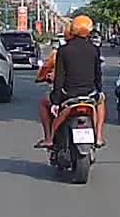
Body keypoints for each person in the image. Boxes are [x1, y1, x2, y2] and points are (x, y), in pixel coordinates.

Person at [36, 16, 106, 149]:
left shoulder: (63, 50)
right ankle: (99, 137)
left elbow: (59, 78)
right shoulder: (94, 49)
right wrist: (99, 90)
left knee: (43, 103)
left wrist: (56, 101)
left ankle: (49, 139)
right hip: (89, 94)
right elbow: (98, 74)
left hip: (68, 95)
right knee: (101, 101)